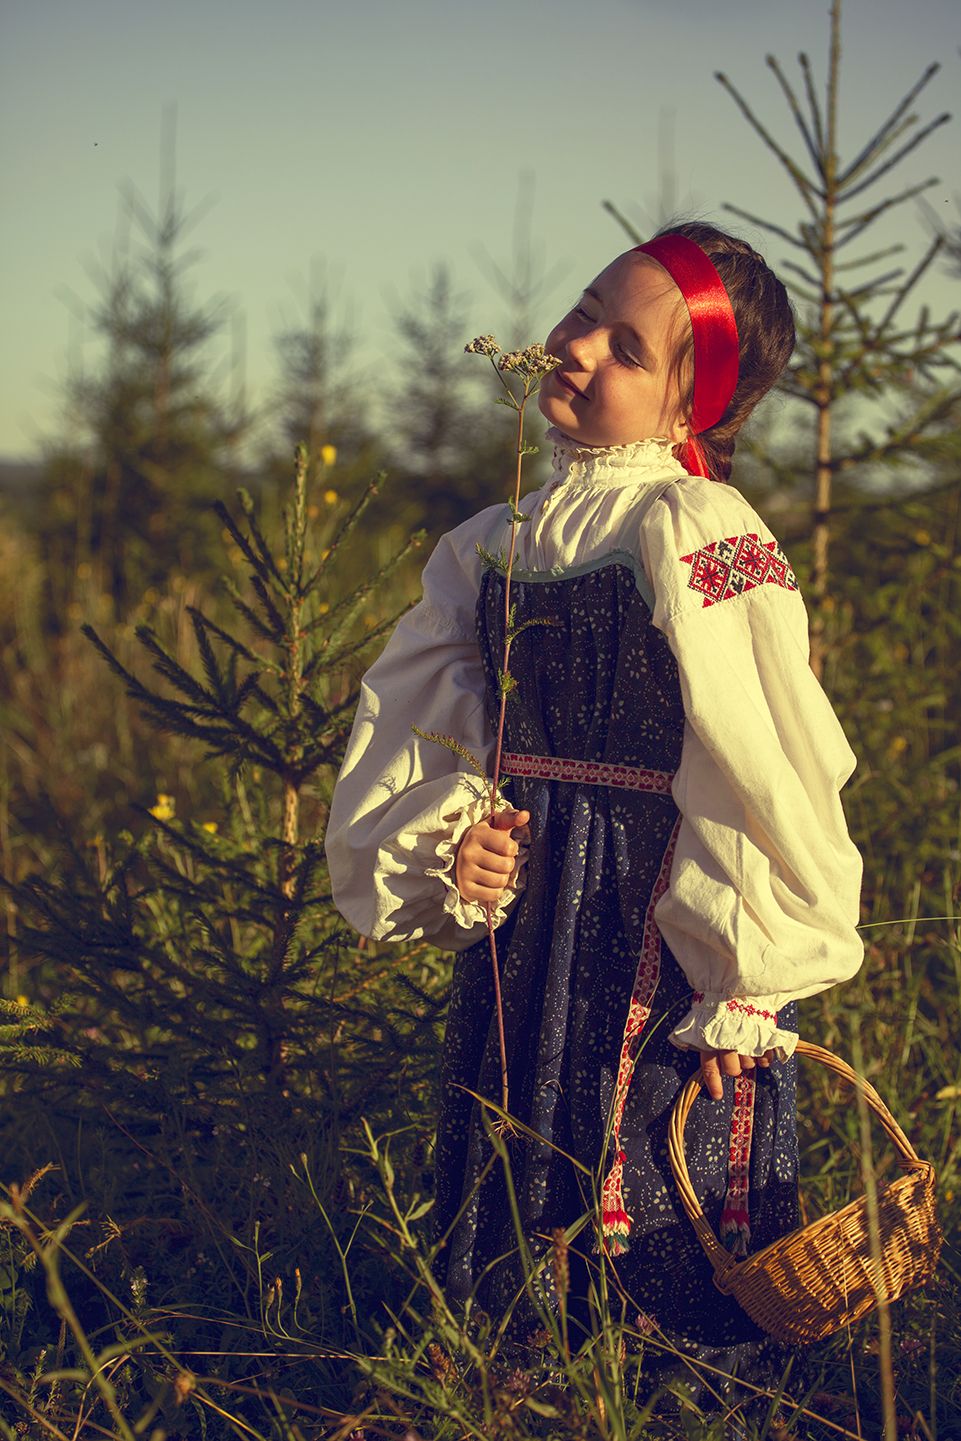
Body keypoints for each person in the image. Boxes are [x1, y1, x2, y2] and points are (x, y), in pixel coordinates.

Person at [325, 222, 863, 1390]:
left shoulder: (695, 526)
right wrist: (456, 842)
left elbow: (763, 760)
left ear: (691, 404)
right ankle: (512, 1377)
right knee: (514, 1122)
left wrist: (747, 981)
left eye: (627, 347)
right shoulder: (489, 543)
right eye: (583, 313)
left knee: (656, 1150)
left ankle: (672, 1396)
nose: (576, 347)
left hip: (661, 907)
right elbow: (424, 726)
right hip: (532, 917)